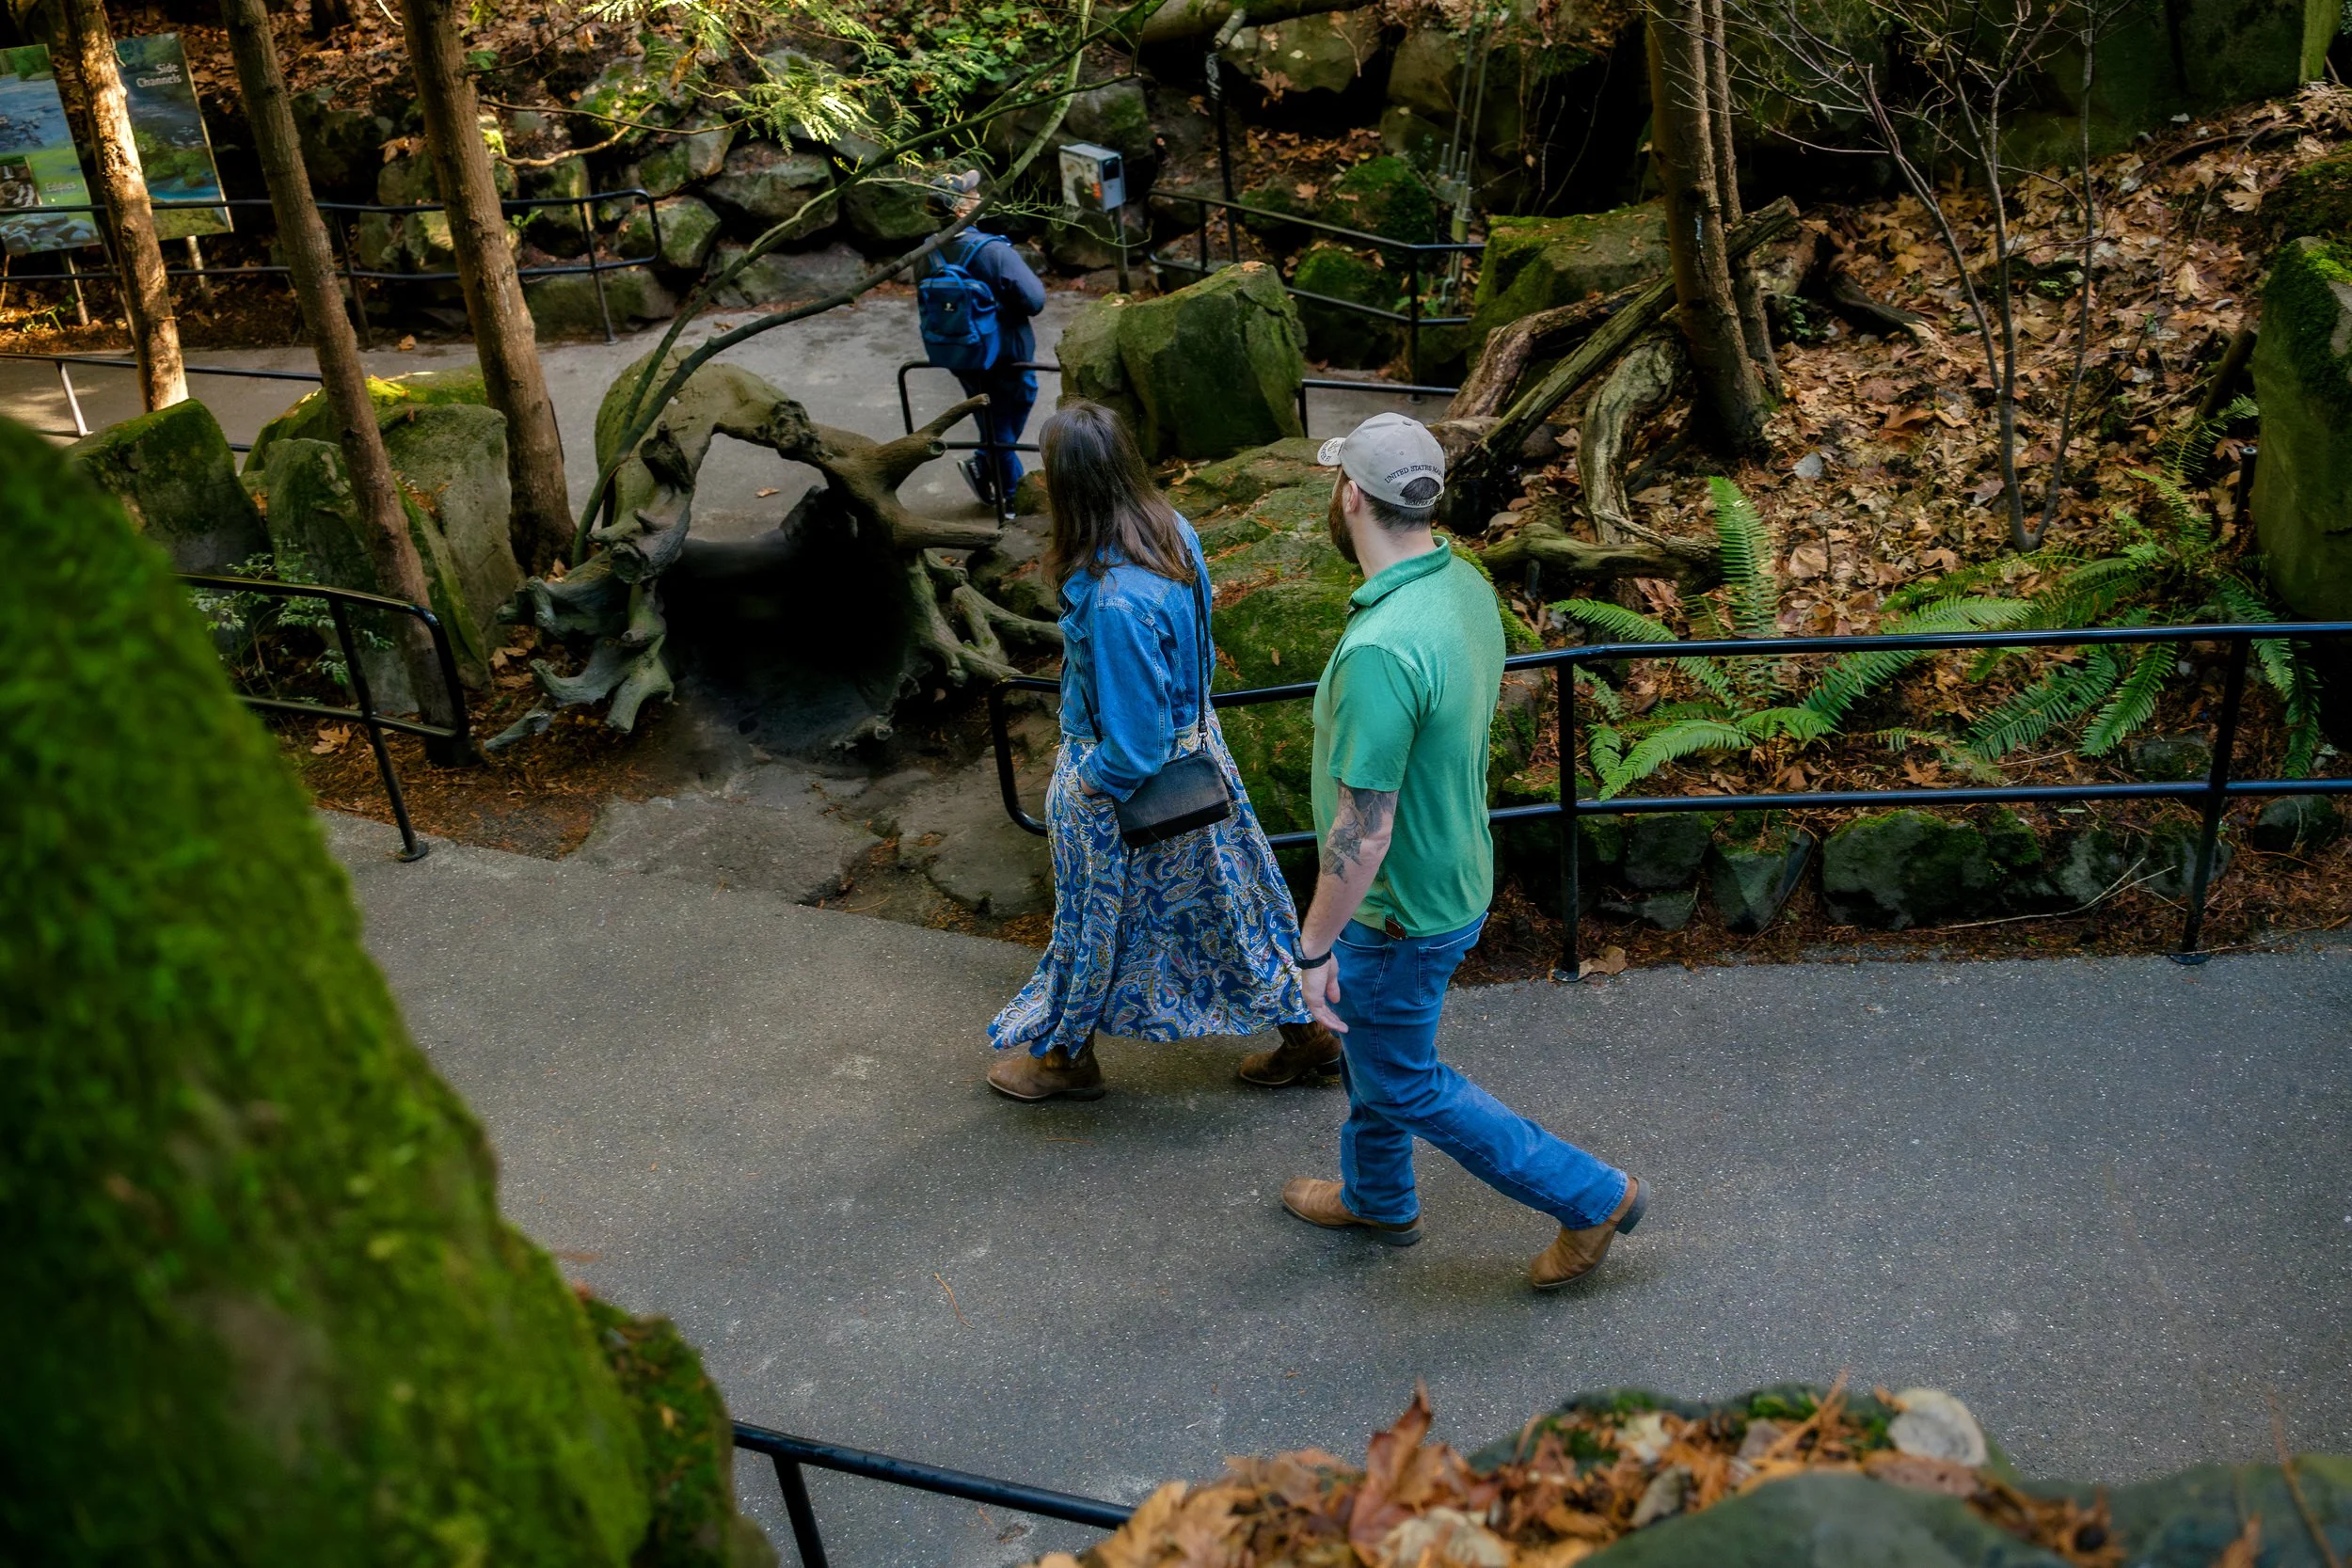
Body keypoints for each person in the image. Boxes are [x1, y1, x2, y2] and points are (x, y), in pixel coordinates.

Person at [1279, 413, 1648, 1291]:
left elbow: (1364, 832)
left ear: (1350, 496)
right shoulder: (1462, 583)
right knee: (1378, 1050)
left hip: (1396, 910)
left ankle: (1592, 1197)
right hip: (1454, 870)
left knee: (1404, 1080)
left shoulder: (1381, 650)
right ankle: (1377, 1195)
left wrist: (1313, 949)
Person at [986, 401, 1343, 1101]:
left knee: (1092, 920)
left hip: (1127, 787)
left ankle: (1065, 1060)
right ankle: (1309, 1036)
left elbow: (1134, 747)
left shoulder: (1113, 599)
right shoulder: (1171, 531)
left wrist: (1086, 784)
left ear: (1069, 487)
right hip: (1199, 765)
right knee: (1233, 906)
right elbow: (1196, 657)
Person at [929, 172, 1046, 512]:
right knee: (1009, 413)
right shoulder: (992, 251)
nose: (979, 195)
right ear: (960, 209)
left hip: (959, 350)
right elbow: (1035, 300)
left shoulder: (928, 251)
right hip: (1007, 353)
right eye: (972, 192)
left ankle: (984, 463)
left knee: (991, 416)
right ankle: (1012, 499)